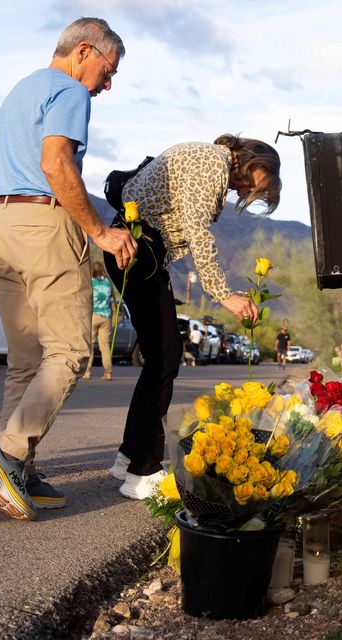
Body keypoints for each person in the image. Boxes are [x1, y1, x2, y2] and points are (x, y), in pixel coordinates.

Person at [0, 17, 137, 522]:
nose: (108, 85)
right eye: (109, 70)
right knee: (70, 352)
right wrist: (100, 232)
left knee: (26, 359)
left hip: (2, 223)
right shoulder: (69, 92)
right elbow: (56, 164)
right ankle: (8, 453)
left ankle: (18, 469)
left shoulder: (22, 89)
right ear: (85, 51)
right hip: (44, 223)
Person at [105, 134, 282, 500]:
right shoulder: (211, 163)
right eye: (257, 183)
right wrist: (224, 295)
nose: (249, 191)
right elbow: (198, 233)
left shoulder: (208, 161)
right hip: (138, 249)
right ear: (252, 160)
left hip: (142, 252)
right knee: (165, 359)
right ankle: (142, 472)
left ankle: (130, 456)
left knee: (161, 358)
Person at [83, 261, 114, 381]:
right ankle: (108, 372)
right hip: (106, 316)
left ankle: (87, 372)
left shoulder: (91, 282)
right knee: (105, 346)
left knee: (90, 345)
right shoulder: (107, 283)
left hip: (93, 315)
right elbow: (111, 300)